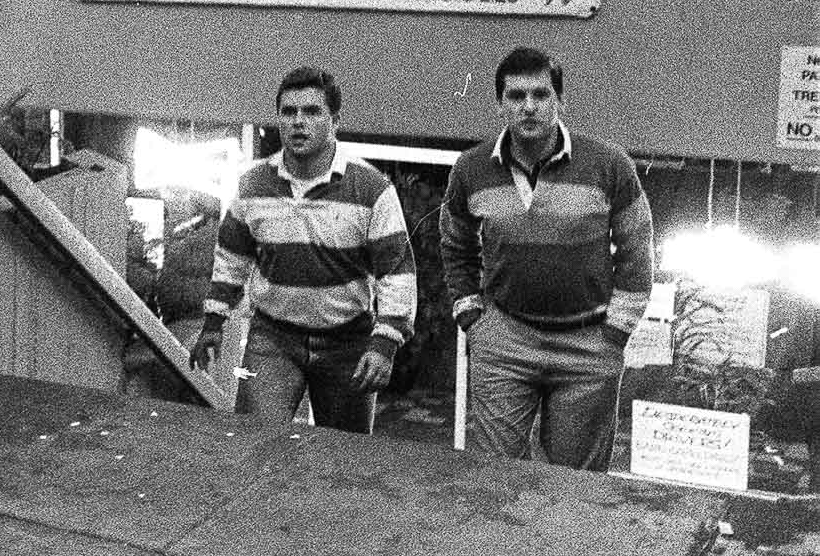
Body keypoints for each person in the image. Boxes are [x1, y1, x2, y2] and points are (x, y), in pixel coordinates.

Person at [440, 46, 654, 471]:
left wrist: (616, 332)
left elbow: (637, 250)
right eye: (516, 96)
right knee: (493, 478)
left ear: (558, 98)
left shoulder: (609, 165)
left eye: (540, 95)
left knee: (574, 489)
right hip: (504, 340)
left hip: (588, 345)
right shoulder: (472, 168)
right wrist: (472, 318)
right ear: (501, 101)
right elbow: (454, 243)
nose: (529, 107)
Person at [190, 68, 417, 435]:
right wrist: (214, 322)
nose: (298, 122)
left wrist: (386, 342)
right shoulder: (252, 185)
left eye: (311, 112)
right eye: (288, 112)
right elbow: (231, 258)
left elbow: (397, 273)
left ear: (334, 121)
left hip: (347, 343)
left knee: (343, 459)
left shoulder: (371, 188)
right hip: (272, 341)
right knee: (254, 447)